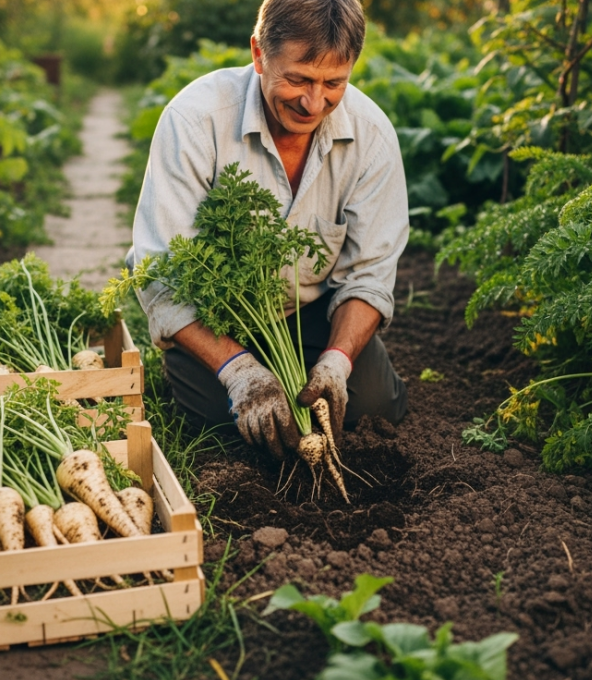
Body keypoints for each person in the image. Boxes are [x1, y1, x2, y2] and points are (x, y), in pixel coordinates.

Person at [127, 0, 409, 458]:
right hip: (218, 315)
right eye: (298, 78)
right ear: (259, 53)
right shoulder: (195, 120)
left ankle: (316, 370)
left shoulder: (371, 136)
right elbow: (161, 272)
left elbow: (369, 274)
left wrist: (337, 362)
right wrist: (240, 371)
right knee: (227, 426)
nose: (313, 102)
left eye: (333, 83)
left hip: (315, 312)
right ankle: (220, 371)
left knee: (376, 406)